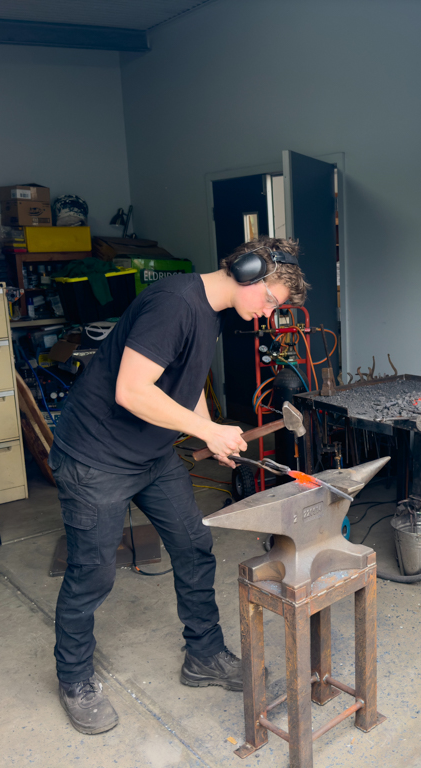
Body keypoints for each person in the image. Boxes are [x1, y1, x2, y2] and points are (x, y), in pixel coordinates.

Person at [48, 237, 309, 734]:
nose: (266, 314)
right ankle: (75, 679)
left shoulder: (209, 312)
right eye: (270, 300)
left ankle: (204, 656)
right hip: (95, 458)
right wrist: (207, 431)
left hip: (150, 454)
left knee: (194, 545)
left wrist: (207, 432)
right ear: (249, 272)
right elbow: (131, 390)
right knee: (92, 574)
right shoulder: (173, 304)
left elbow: (186, 383)